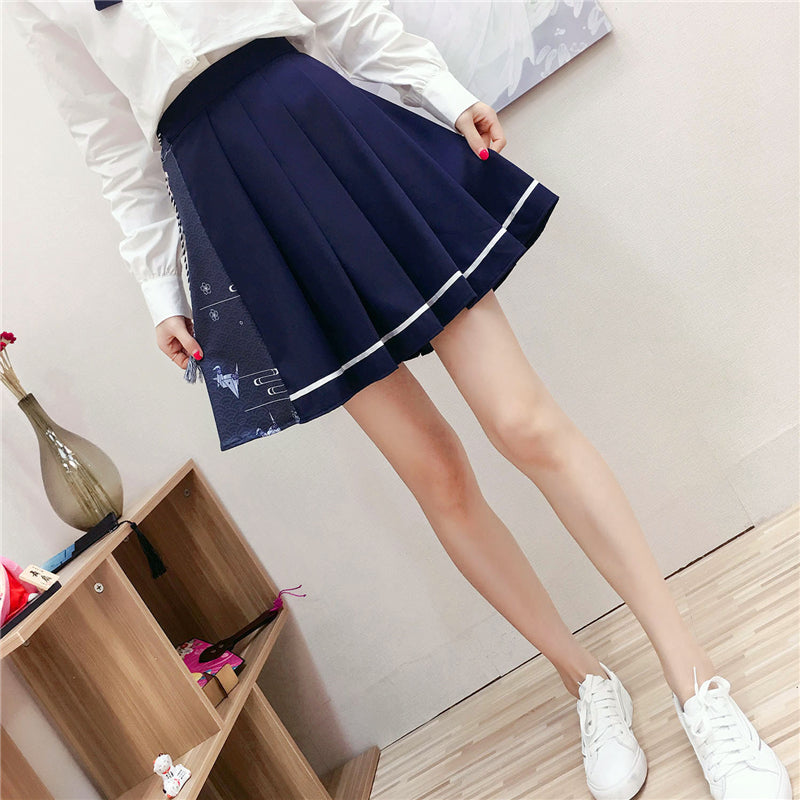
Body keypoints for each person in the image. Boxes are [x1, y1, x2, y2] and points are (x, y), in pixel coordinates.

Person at [5, 3, 791, 799]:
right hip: (232, 205)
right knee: (435, 473)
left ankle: (695, 680)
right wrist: (160, 291)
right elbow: (110, 143)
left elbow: (338, 11)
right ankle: (584, 679)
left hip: (321, 124)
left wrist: (441, 92)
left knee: (523, 422)